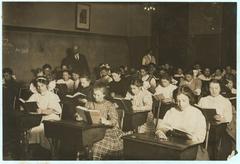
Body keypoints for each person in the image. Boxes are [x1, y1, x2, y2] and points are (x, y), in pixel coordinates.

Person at [85, 83, 123, 160]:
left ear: (104, 95)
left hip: (107, 131)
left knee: (97, 146)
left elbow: (114, 121)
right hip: (91, 129)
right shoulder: (89, 103)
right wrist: (79, 115)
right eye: (94, 94)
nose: (95, 97)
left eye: (98, 95)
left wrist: (107, 121)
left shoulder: (109, 105)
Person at [198, 80, 233, 159]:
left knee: (215, 136)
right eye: (211, 88)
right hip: (204, 125)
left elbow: (229, 117)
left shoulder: (225, 101)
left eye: (216, 88)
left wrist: (221, 119)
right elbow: (198, 113)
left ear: (220, 89)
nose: (213, 90)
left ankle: (213, 157)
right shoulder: (203, 100)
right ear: (208, 88)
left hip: (218, 126)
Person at [27, 76, 62, 150]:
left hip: (51, 117)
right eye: (38, 86)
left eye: (42, 85)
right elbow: (29, 104)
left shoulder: (52, 95)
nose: (40, 88)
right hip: (38, 117)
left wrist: (42, 111)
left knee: (39, 129)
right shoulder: (35, 95)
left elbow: (53, 110)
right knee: (29, 127)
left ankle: (47, 149)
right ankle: (35, 147)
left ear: (46, 85)